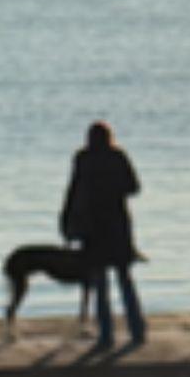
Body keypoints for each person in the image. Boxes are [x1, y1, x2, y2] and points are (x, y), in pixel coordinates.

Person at [60, 120, 146, 349]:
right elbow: (134, 187)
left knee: (100, 283)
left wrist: (67, 222)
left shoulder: (83, 158)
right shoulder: (117, 157)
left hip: (93, 228)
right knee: (125, 279)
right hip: (117, 226)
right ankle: (137, 330)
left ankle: (106, 335)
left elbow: (73, 191)